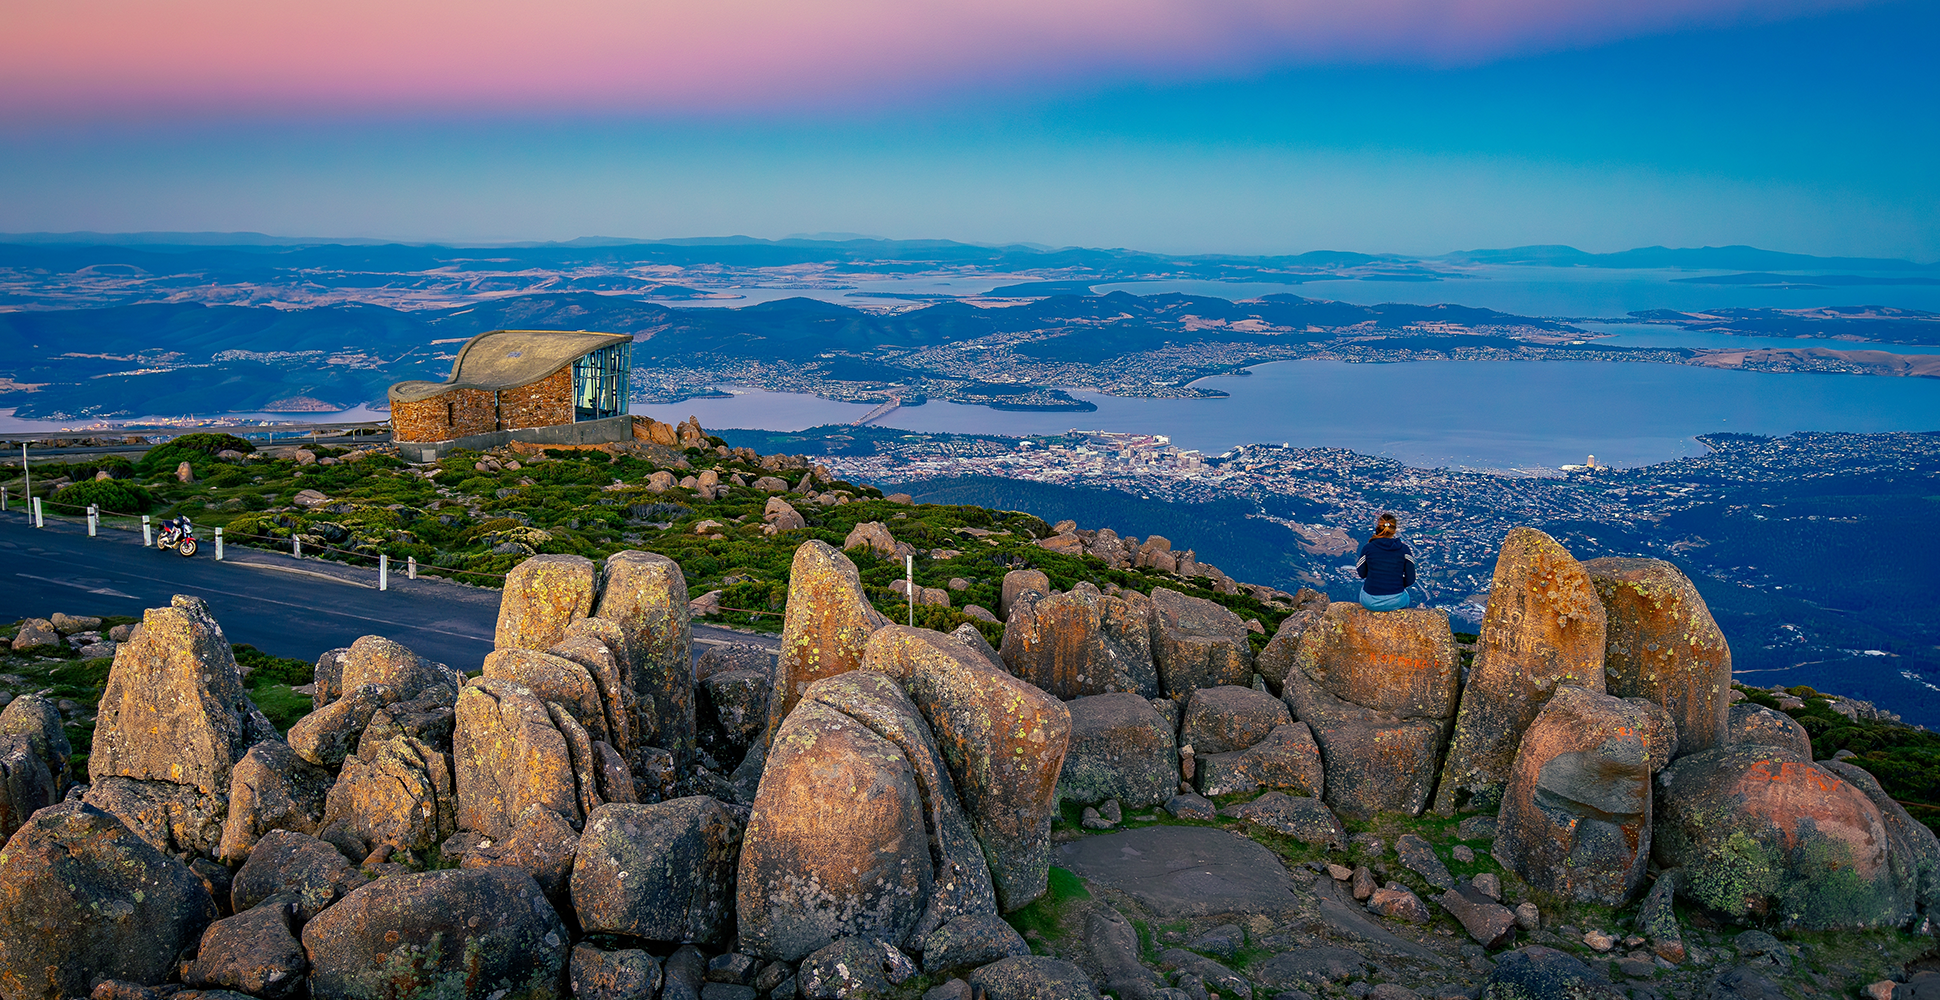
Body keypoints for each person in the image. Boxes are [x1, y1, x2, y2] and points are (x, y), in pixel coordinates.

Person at [1356, 512, 1415, 611]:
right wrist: (1396, 585)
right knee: (1406, 596)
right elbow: (1411, 578)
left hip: (1370, 602)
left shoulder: (1368, 548)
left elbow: (1361, 573)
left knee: (1363, 592)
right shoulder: (1404, 550)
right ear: (1394, 530)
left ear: (1377, 528)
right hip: (1396, 601)